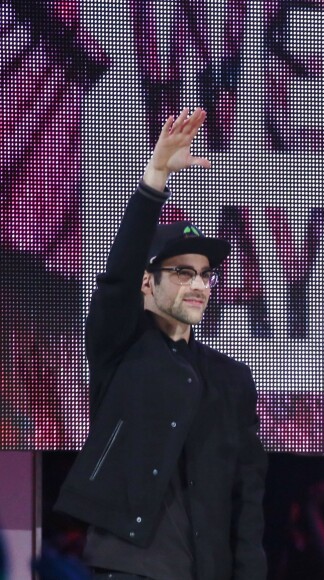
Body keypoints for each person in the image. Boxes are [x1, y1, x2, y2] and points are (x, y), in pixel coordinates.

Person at [55, 107, 268, 579]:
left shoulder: (232, 377)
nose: (199, 285)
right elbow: (116, 280)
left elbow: (247, 493)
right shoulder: (122, 346)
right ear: (147, 284)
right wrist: (155, 178)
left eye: (205, 275)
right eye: (182, 272)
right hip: (130, 566)